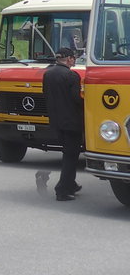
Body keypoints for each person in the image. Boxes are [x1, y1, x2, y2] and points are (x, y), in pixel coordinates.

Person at [43, 46, 83, 201]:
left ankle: (71, 184)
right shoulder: (72, 76)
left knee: (67, 154)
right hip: (71, 122)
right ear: (69, 59)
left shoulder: (48, 74)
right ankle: (63, 190)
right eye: (74, 58)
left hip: (55, 121)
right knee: (71, 156)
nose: (74, 61)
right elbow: (76, 99)